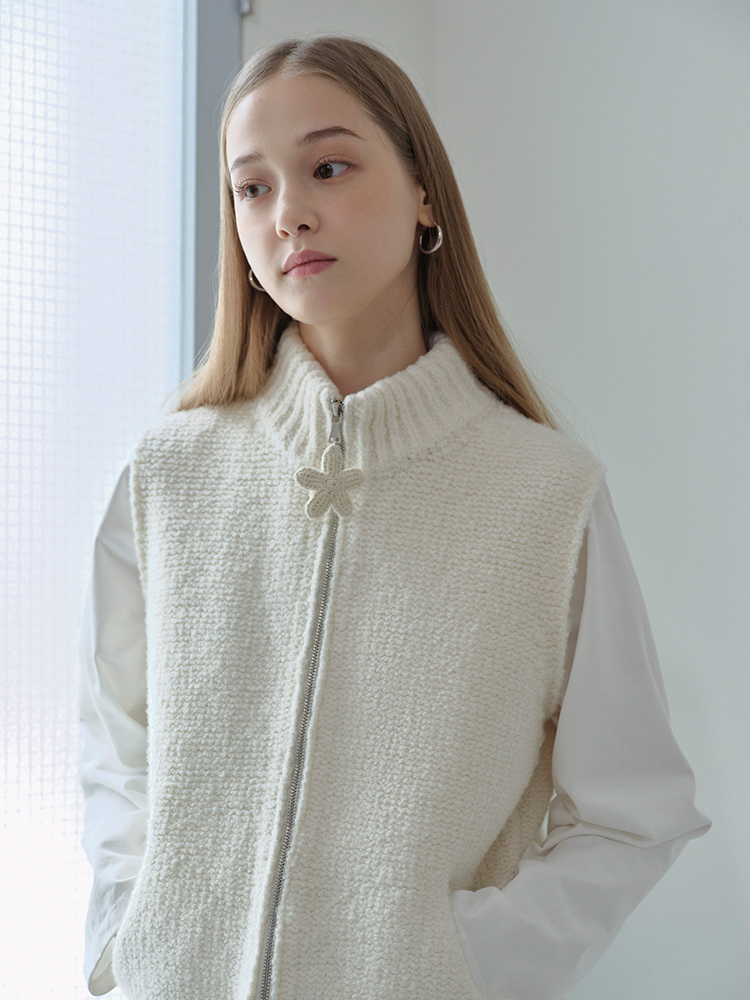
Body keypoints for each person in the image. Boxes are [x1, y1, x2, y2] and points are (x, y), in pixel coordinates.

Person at [77, 34, 710, 1000]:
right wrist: (128, 939)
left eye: (329, 167)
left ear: (424, 194)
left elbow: (635, 812)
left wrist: (464, 964)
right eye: (252, 187)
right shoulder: (167, 474)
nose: (288, 213)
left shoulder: (545, 497)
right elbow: (114, 744)